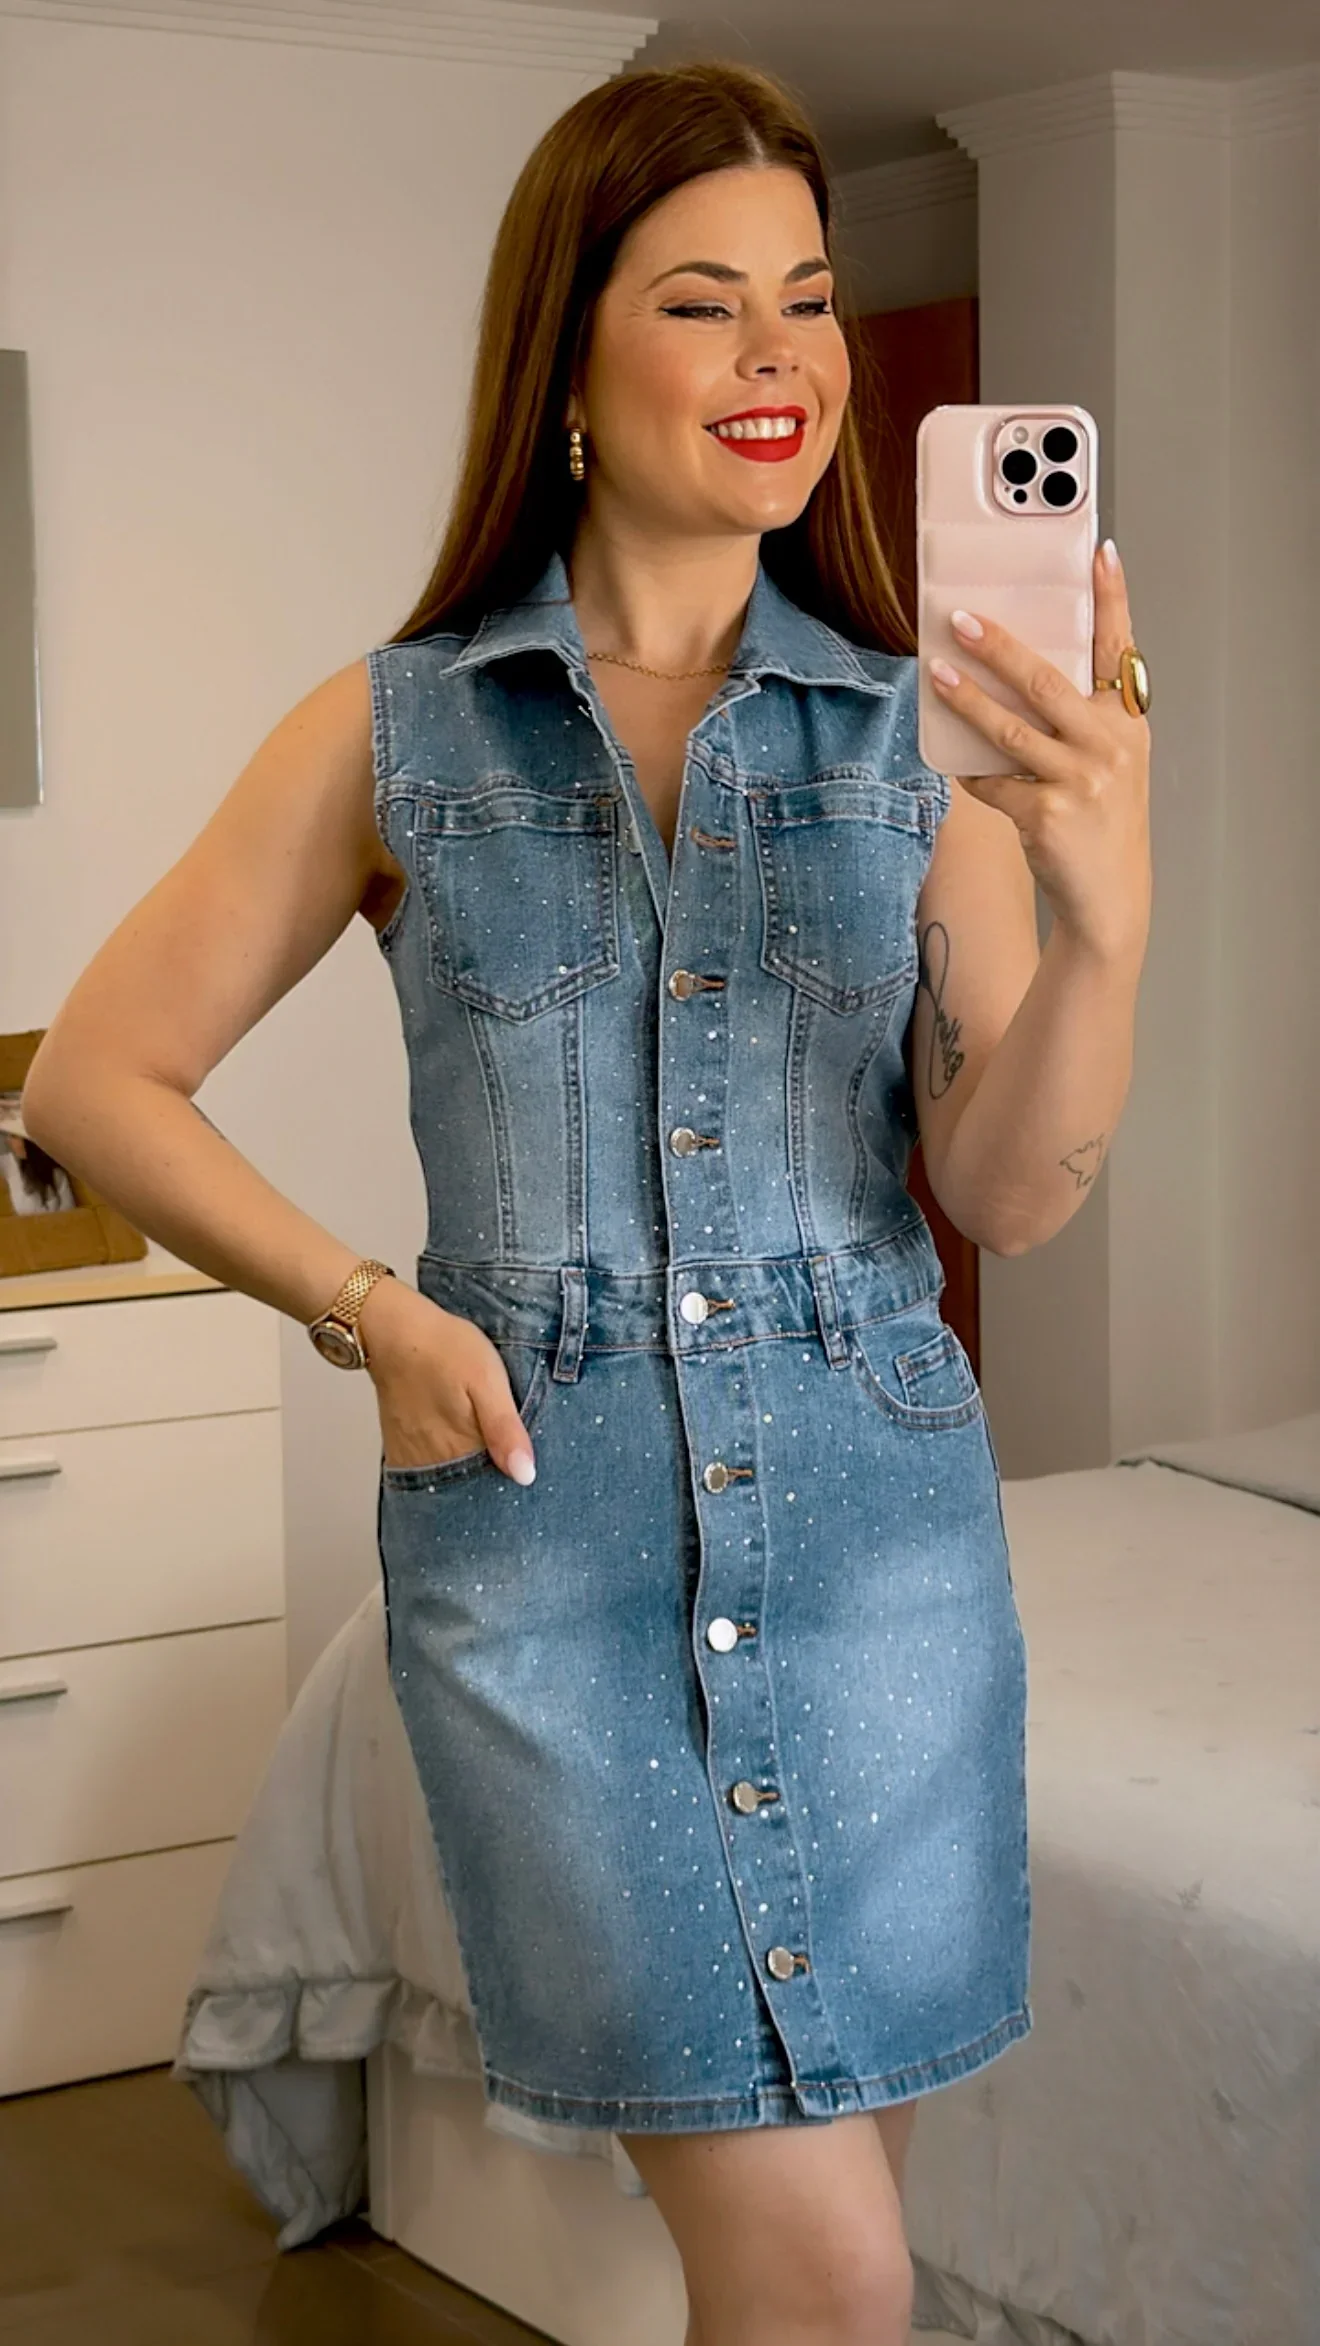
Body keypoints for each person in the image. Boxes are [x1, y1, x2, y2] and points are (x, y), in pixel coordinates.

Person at [22, 59, 1151, 2346]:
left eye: (810, 301)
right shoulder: (399, 733)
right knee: (828, 2283)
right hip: (552, 1581)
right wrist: (368, 1307)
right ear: (567, 352)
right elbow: (95, 1079)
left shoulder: (914, 740)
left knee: (811, 2282)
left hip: (889, 1576)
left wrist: (1107, 921)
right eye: (703, 303)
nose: (780, 357)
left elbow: (1004, 1192)